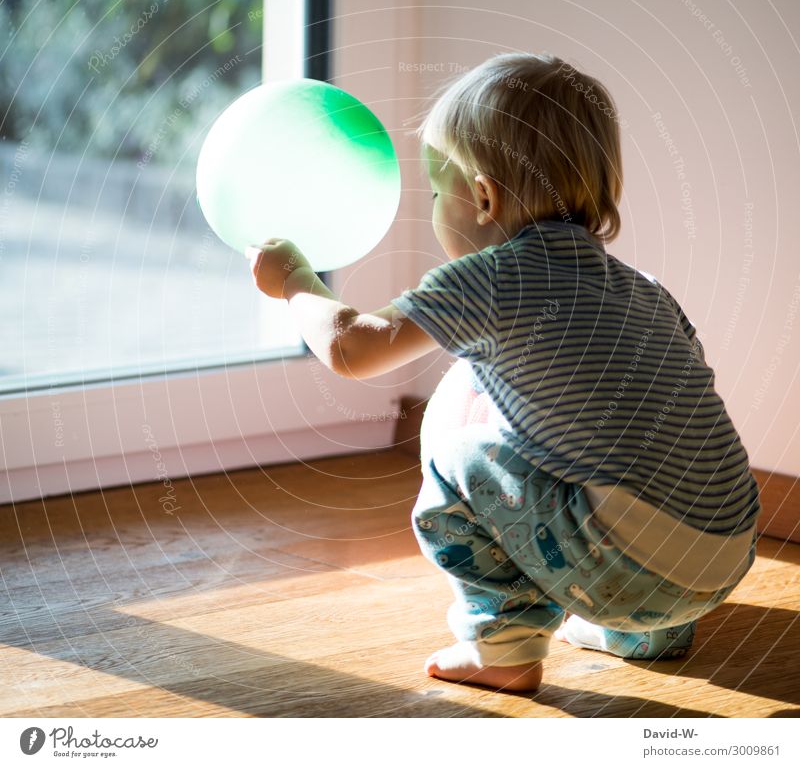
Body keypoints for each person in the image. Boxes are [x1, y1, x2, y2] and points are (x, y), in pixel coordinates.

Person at [245, 52, 761, 692]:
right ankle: (648, 630)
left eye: (438, 190)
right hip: (725, 556)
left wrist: (296, 282)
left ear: (483, 197)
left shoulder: (490, 280)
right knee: (624, 457)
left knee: (451, 452)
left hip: (625, 566)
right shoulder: (644, 290)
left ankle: (506, 650)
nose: (434, 205)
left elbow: (352, 348)